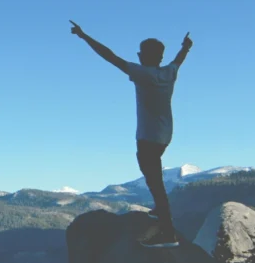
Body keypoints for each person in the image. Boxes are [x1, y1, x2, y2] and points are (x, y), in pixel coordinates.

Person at [69, 20, 193, 248]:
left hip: (147, 136)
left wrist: (84, 36)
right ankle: (159, 211)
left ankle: (167, 234)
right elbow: (179, 60)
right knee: (153, 173)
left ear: (144, 55)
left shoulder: (141, 73)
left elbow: (110, 56)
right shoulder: (169, 72)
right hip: (165, 134)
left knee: (154, 181)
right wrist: (186, 47)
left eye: (140, 52)